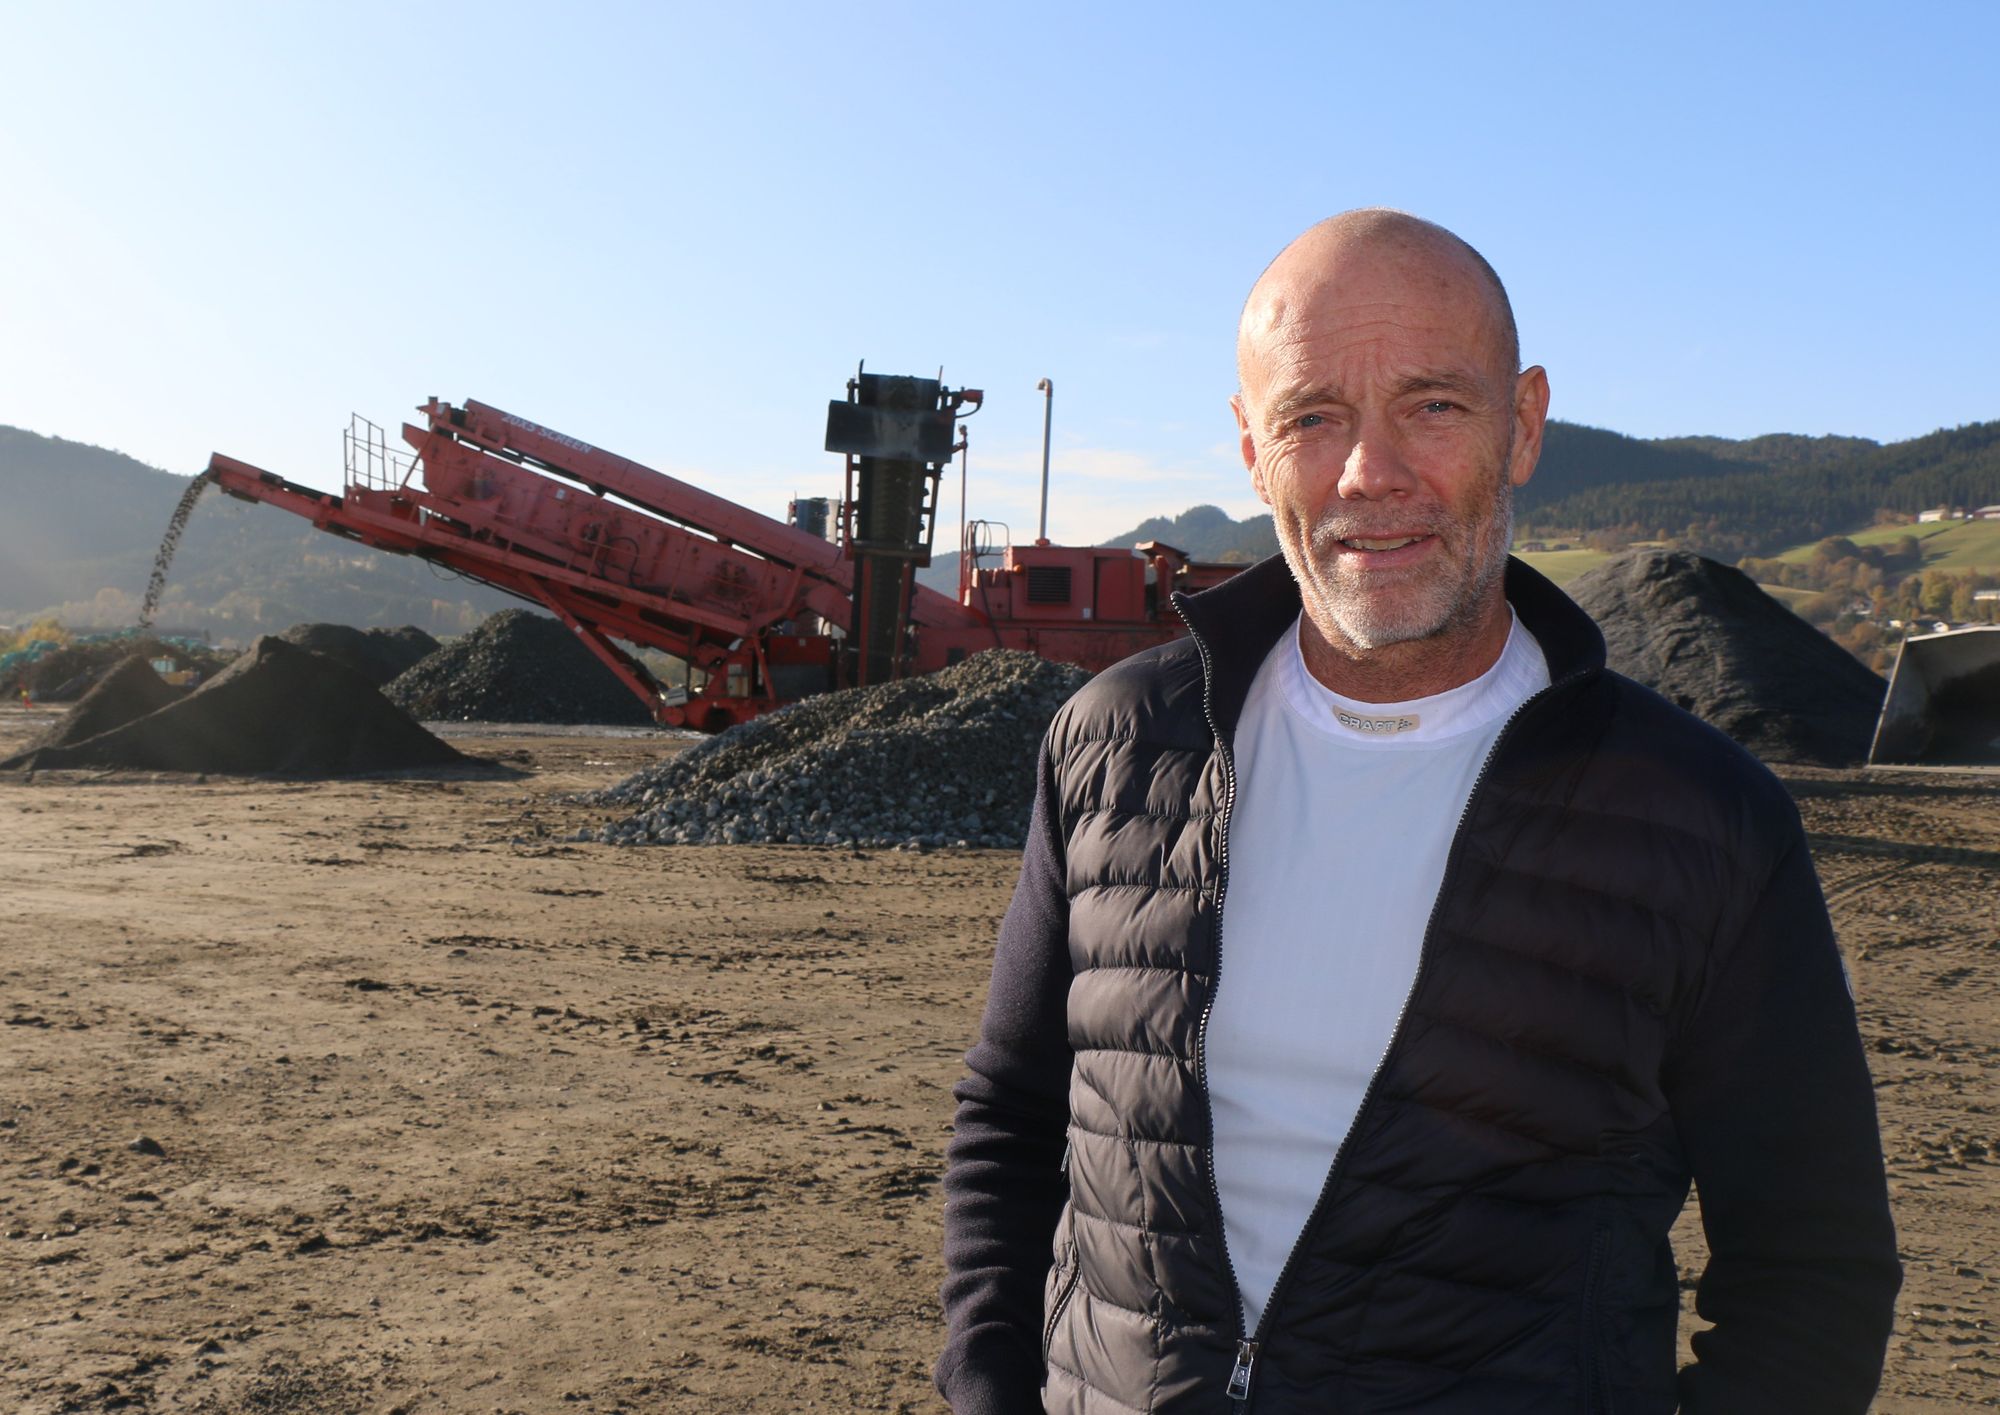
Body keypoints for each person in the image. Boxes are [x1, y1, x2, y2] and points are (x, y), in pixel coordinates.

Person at [936, 210, 1900, 1414]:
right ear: (1249, 446)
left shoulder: (1702, 817)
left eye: (1432, 405)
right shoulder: (1115, 742)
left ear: (1524, 423)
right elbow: (1012, 1118)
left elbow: (1809, 1270)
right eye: (1311, 416)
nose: (1366, 474)